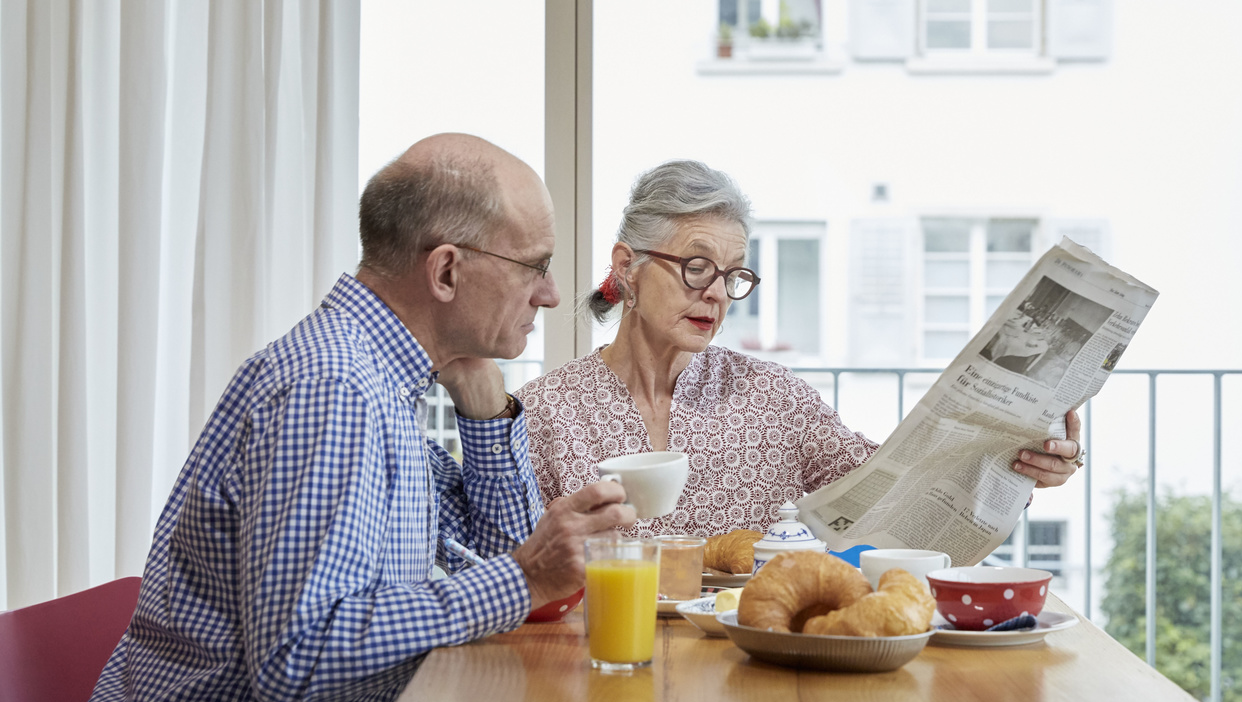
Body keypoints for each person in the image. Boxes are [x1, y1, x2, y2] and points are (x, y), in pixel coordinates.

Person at [91, 134, 634, 701]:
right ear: (446, 272)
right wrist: (523, 577)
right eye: (535, 266)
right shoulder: (335, 391)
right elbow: (294, 663)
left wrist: (487, 414)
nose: (549, 295)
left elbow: (506, 564)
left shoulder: (383, 381)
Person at [517, 160, 1083, 539]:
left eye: (732, 274)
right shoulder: (542, 413)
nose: (716, 291)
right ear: (627, 266)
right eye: (696, 266)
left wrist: (1013, 459)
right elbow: (517, 578)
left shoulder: (777, 400)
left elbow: (895, 493)